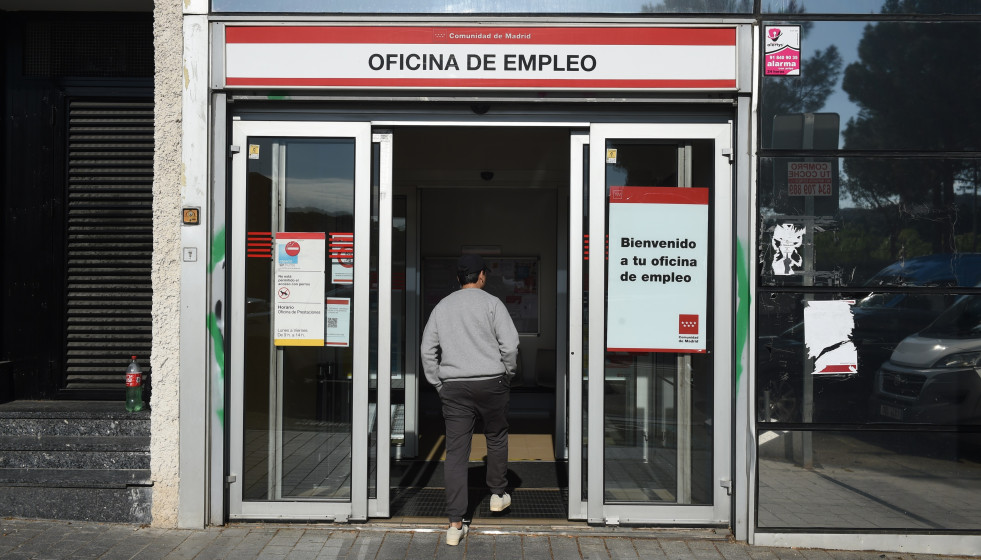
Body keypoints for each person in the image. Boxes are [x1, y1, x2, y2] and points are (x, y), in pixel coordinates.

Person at [420, 253, 520, 546]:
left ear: (458, 279)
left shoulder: (442, 306)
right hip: (492, 382)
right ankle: (498, 495)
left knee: (456, 453)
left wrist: (437, 381)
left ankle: (454, 525)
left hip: (454, 386)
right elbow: (511, 345)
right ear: (481, 276)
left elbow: (428, 349)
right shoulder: (492, 304)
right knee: (497, 437)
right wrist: (508, 374)